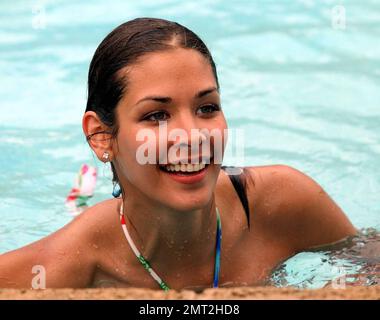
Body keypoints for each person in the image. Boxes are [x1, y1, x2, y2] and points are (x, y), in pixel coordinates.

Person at [0, 17, 356, 290]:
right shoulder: (62, 267)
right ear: (102, 137)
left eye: (207, 108)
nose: (193, 136)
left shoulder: (282, 203)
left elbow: (367, 263)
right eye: (156, 115)